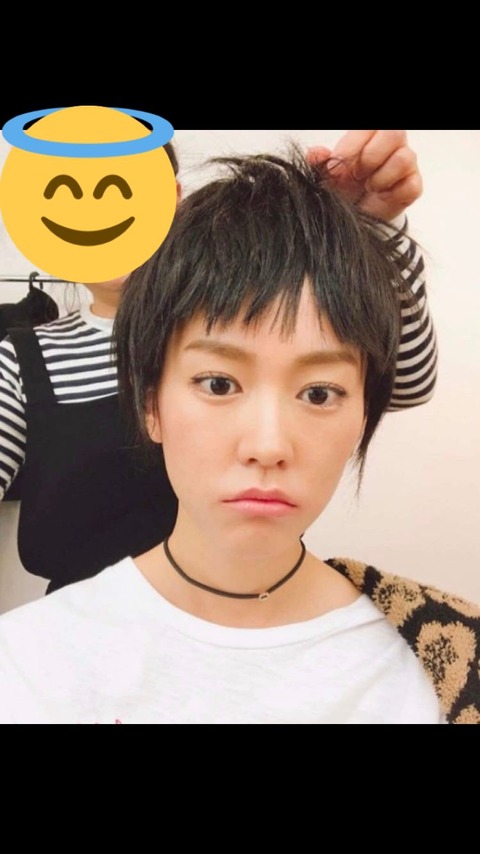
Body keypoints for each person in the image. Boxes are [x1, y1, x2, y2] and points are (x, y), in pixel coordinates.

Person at [0, 146, 477, 725]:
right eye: (219, 384)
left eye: (318, 393)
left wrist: (355, 238)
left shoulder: (441, 663)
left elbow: (399, 377)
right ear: (148, 400)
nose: (267, 446)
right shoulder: (28, 665)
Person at [0, 131, 437, 596]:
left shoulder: (256, 311)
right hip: (86, 618)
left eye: (119, 190)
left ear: (170, 198)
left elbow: (406, 382)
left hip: (253, 600)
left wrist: (362, 233)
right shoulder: (22, 357)